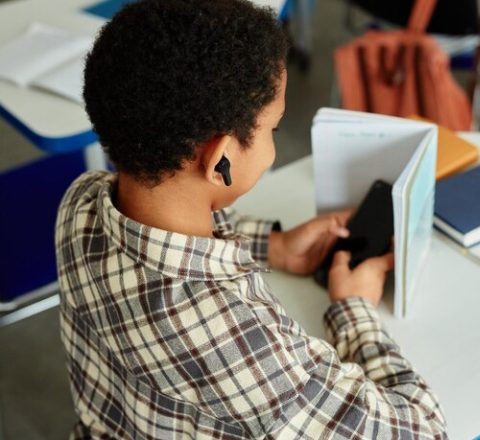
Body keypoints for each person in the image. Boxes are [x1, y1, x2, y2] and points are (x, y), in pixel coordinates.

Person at [55, 0, 447, 438]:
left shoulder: (80, 203)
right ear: (220, 159)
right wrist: (352, 310)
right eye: (273, 129)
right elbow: (422, 431)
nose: (273, 145)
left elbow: (162, 238)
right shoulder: (236, 339)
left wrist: (273, 246)